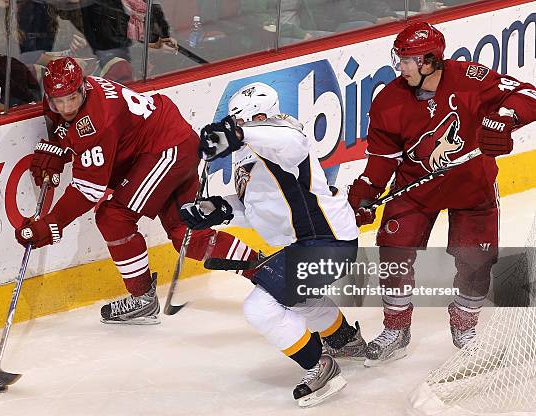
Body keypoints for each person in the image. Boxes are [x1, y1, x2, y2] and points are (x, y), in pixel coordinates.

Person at [14, 56, 258, 324]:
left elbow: (88, 190)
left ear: (82, 87)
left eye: (71, 98)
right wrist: (59, 148)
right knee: (186, 235)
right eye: (58, 101)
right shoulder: (83, 95)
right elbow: (65, 128)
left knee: (113, 217)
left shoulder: (96, 121)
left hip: (165, 151)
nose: (65, 107)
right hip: (174, 143)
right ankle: (263, 268)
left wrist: (51, 224)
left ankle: (142, 298)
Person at [347, 22, 536, 366]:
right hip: (414, 189)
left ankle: (465, 324)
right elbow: (382, 158)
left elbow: (528, 94)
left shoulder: (471, 78)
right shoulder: (389, 100)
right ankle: (396, 330)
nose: (399, 67)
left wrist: (505, 118)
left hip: (472, 186)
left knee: (477, 261)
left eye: (407, 60)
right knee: (393, 253)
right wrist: (367, 189)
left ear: (430, 61)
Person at [180, 82, 366, 407]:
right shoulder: (247, 156)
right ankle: (343, 338)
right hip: (307, 244)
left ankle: (320, 366)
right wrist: (218, 211)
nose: (236, 127)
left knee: (260, 307)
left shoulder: (284, 135)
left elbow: (291, 141)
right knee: (293, 299)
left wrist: (239, 135)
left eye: (240, 122)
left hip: (325, 241)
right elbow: (259, 207)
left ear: (260, 116)